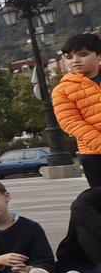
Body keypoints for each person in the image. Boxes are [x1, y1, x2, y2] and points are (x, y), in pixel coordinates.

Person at [50, 32, 101, 187]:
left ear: (98, 55)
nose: (75, 61)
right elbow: (71, 123)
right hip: (94, 155)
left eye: (82, 54)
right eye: (69, 57)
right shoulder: (62, 90)